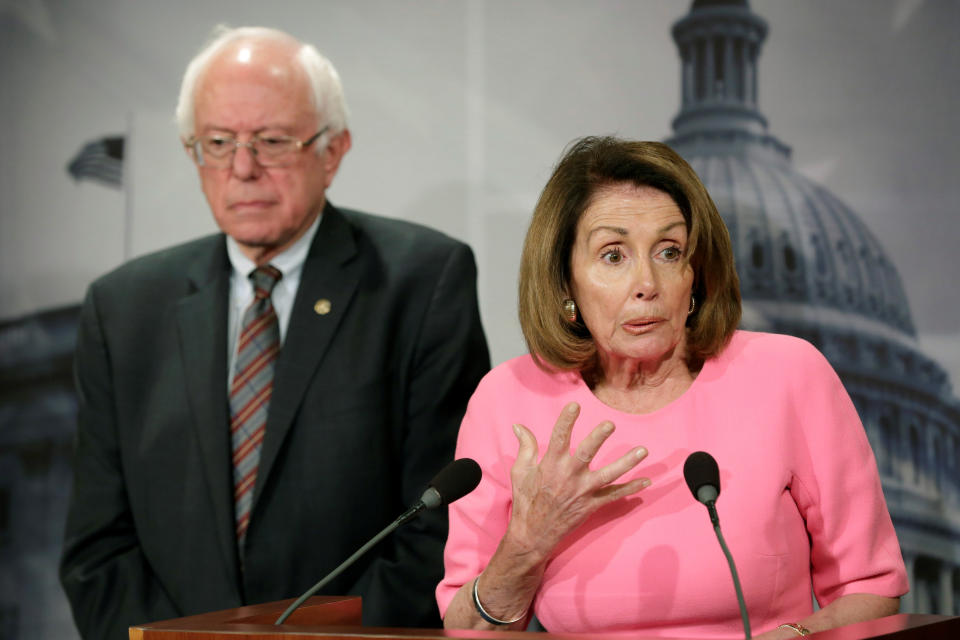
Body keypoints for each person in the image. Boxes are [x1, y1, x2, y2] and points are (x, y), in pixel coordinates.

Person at [59, 26, 489, 639]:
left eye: (271, 140)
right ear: (193, 152)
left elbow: (440, 525)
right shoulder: (122, 309)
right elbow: (97, 552)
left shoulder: (421, 282)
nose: (242, 168)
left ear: (332, 150)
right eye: (217, 141)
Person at [438, 137, 907, 638]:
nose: (647, 282)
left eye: (669, 251)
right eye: (613, 255)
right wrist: (528, 544)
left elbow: (871, 589)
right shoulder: (508, 399)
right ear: (564, 283)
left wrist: (796, 637)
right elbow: (468, 632)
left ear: (697, 276)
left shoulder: (788, 375)